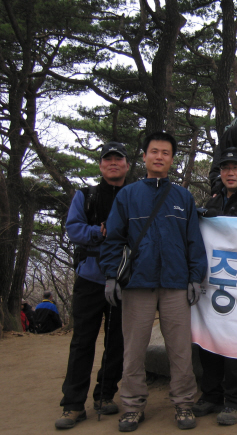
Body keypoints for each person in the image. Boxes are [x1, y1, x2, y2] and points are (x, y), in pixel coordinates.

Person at [99, 132, 207, 432]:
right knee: (133, 349)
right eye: (154, 151)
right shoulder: (128, 195)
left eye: (166, 153)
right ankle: (132, 406)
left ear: (172, 159)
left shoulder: (183, 197)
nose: (159, 157)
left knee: (180, 349)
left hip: (175, 283)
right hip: (137, 283)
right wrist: (111, 276)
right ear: (144, 156)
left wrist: (195, 277)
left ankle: (184, 403)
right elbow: (114, 239)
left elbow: (194, 241)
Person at [55, 141, 129, 430]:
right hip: (89, 278)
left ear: (127, 165)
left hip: (124, 278)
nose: (113, 163)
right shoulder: (85, 196)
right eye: (108, 159)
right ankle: (73, 404)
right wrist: (99, 232)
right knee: (82, 341)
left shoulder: (134, 195)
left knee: (117, 341)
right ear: (100, 165)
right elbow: (73, 229)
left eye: (118, 159)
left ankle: (105, 394)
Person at [193, 146, 237, 425]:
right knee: (209, 339)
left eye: (236, 167)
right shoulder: (213, 201)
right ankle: (211, 394)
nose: (230, 173)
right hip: (212, 284)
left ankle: (235, 401)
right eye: (225, 168)